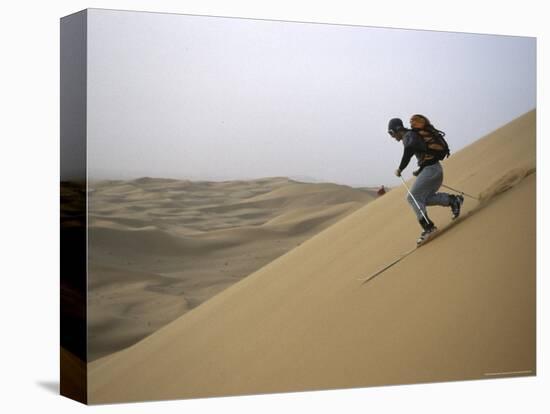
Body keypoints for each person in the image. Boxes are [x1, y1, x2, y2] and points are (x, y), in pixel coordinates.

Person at [387, 116, 463, 244]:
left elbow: (409, 150)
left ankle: (428, 227)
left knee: (412, 197)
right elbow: (424, 153)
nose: (392, 137)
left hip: (432, 170)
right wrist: (420, 169)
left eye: (391, 133)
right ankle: (453, 201)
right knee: (422, 199)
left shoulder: (408, 136)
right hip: (433, 170)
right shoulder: (412, 135)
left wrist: (400, 168)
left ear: (397, 129)